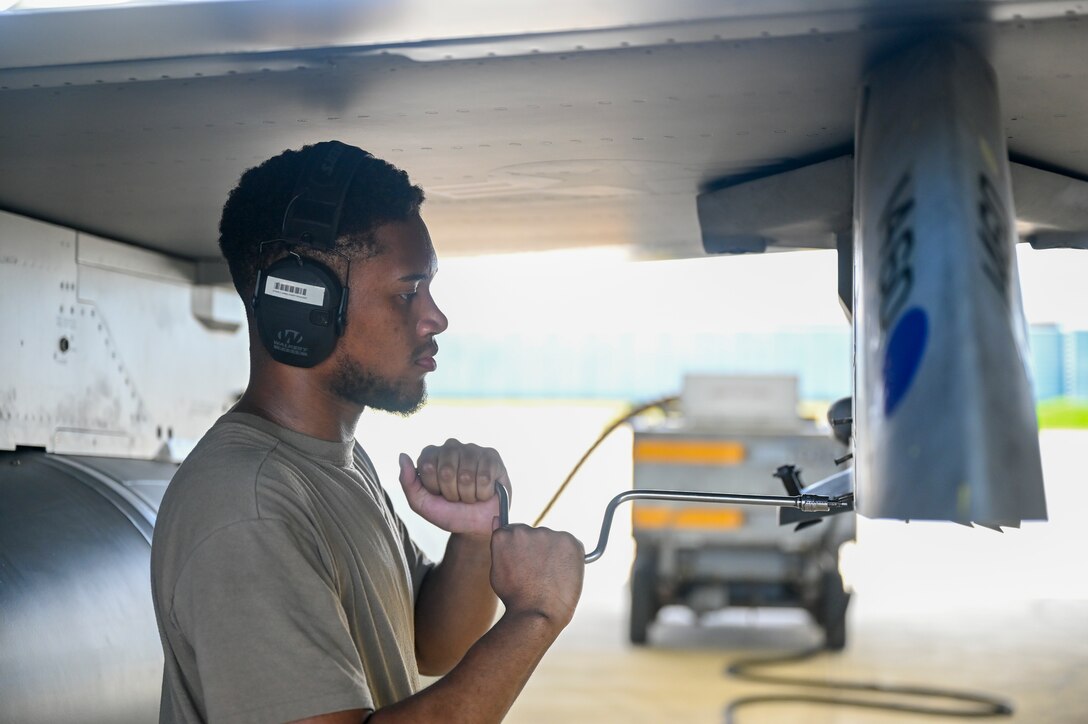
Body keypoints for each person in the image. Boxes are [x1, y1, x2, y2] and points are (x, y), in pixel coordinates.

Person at [150, 141, 586, 724]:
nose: (435, 318)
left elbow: (431, 643)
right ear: (300, 304)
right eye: (408, 292)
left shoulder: (332, 464)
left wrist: (475, 536)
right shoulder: (247, 508)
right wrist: (535, 616)